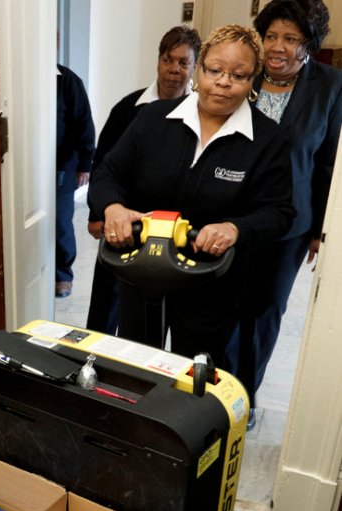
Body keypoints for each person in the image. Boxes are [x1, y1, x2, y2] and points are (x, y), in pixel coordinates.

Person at [87, 24, 295, 379]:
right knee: (136, 369)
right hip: (140, 270)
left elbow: (279, 212)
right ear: (199, 69)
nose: (224, 82)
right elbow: (108, 173)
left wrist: (234, 228)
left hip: (211, 283)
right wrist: (113, 207)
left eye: (239, 75)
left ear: (253, 80)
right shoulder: (153, 118)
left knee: (198, 377)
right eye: (215, 70)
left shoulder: (267, 140)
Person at [231, 0, 342, 422]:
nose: (277, 47)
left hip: (290, 224)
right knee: (223, 305)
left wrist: (320, 230)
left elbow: (329, 161)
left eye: (290, 38)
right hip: (231, 215)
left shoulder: (330, 86)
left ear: (309, 45)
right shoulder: (245, 73)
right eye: (271, 36)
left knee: (264, 311)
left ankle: (244, 395)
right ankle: (215, 390)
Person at [86, 25, 202, 333]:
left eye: (183, 62)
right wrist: (97, 213)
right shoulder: (128, 108)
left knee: (156, 307)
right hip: (123, 216)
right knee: (107, 297)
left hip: (172, 225)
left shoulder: (202, 114)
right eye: (167, 60)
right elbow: (103, 163)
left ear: (194, 67)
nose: (174, 69)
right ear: (158, 61)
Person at [56, 61, 95, 298]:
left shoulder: (68, 81)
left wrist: (85, 164)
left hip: (62, 165)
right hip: (29, 166)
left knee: (60, 221)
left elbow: (84, 124)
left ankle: (62, 275)